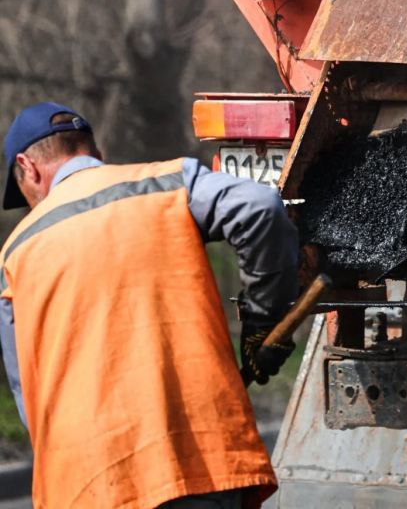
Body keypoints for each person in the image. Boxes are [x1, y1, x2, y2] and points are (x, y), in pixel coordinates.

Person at [0, 102, 300, 509]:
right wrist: (262, 322)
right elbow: (260, 209)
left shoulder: (15, 254)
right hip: (199, 465)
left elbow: (27, 396)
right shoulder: (166, 183)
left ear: (28, 168)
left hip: (84, 485)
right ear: (96, 155)